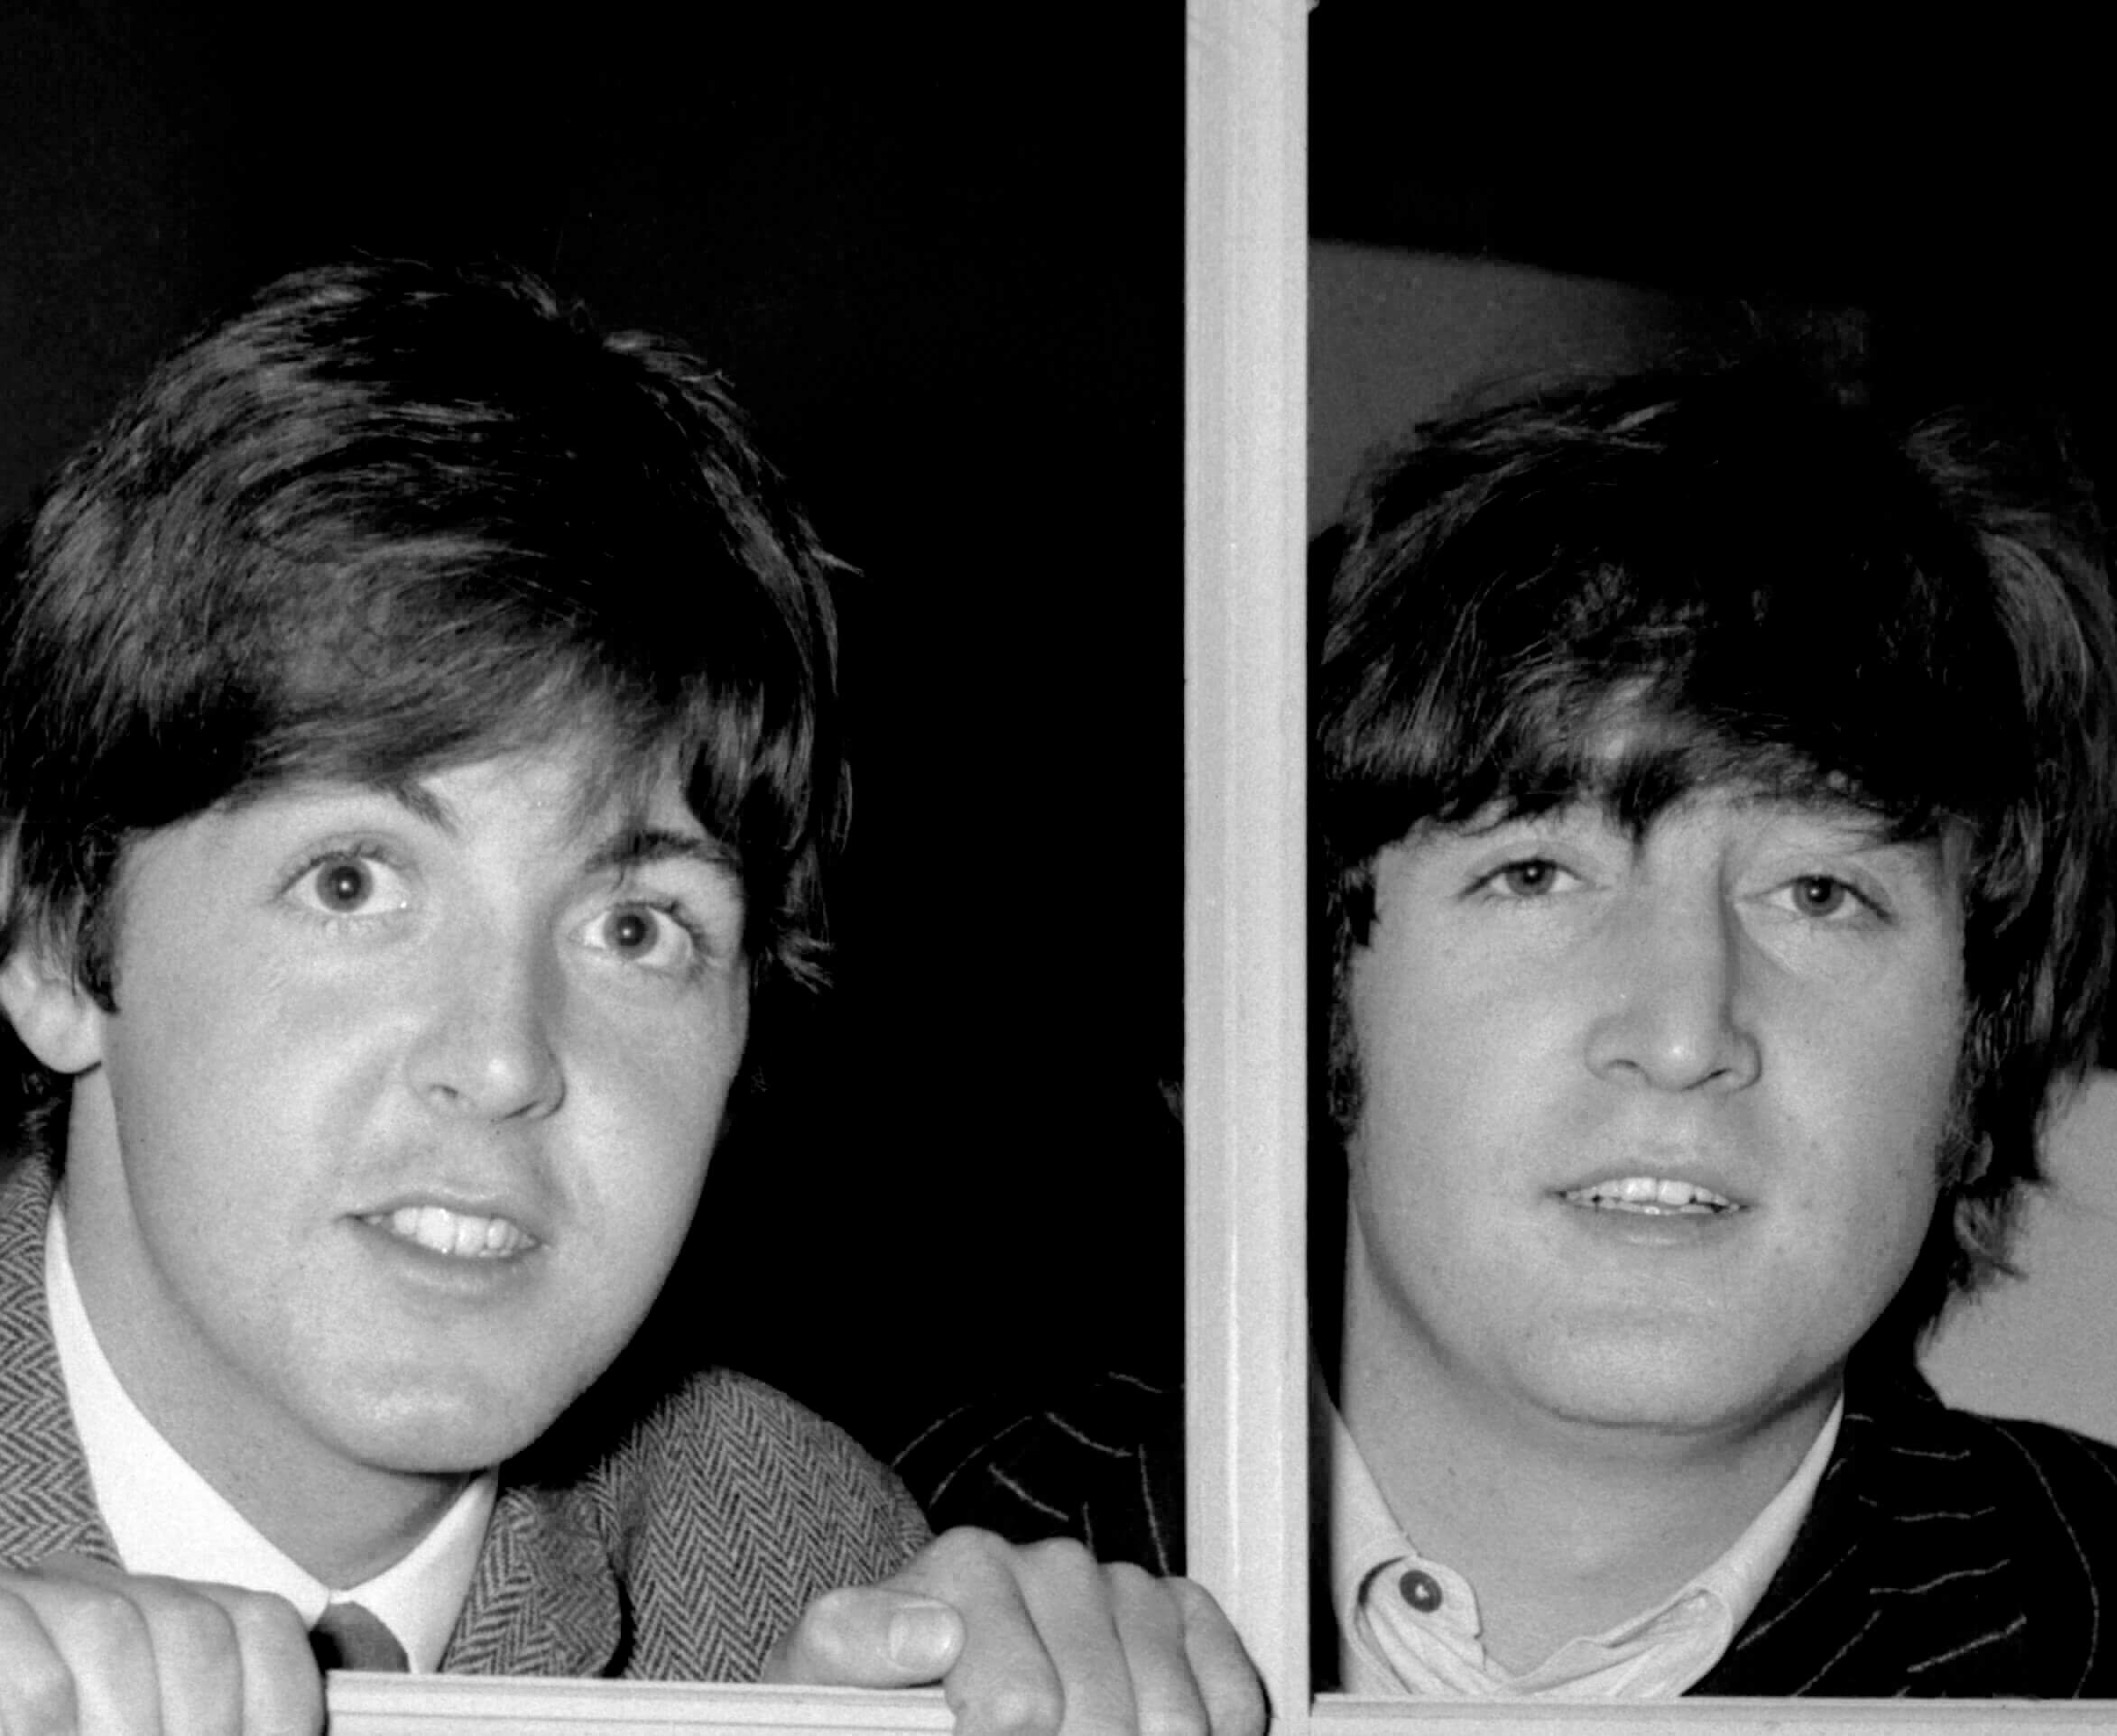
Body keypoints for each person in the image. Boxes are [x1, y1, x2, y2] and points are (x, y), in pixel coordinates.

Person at [0, 259, 1262, 1736]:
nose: (501, 1059)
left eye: (635, 928)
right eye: (353, 882)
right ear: (52, 942)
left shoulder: (818, 1569)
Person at [898, 365, 2117, 1697]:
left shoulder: (2090, 1621)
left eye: (1819, 893)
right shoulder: (889, 1575)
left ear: (1974, 1039)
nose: (1680, 1031)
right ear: (1305, 994)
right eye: (1535, 874)